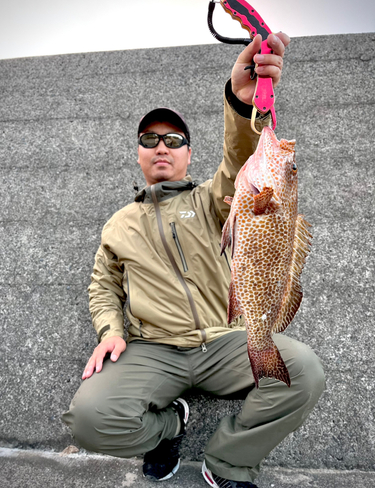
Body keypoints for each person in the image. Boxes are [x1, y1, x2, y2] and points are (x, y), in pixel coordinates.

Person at [62, 32, 325, 488]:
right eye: (150, 138)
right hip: (153, 349)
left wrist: (244, 105)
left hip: (227, 341)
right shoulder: (118, 223)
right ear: (140, 153)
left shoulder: (217, 199)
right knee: (89, 419)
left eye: (173, 138)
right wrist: (111, 331)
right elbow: (103, 285)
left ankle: (227, 461)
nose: (161, 146)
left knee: (304, 370)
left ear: (188, 153)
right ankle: (170, 428)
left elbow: (242, 162)